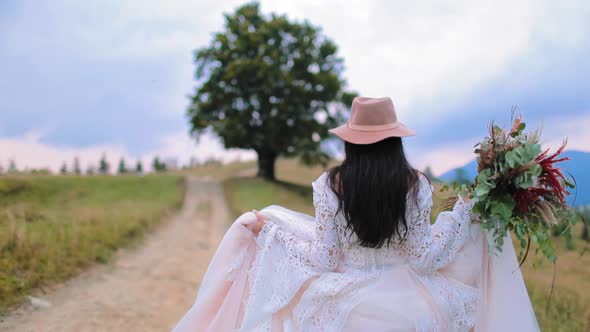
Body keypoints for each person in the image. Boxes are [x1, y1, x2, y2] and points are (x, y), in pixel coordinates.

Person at [172, 97, 539, 332]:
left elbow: (325, 258)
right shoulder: (414, 184)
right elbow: (424, 258)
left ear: (351, 140)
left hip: (346, 302)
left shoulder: (330, 185)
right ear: (395, 140)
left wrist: (274, 233)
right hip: (408, 303)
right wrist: (463, 216)